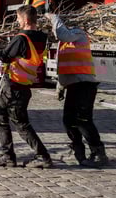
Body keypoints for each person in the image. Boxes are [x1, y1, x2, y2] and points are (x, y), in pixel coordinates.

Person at [0, 4, 54, 169]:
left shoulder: (21, 38)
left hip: (14, 86)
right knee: (11, 119)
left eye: (18, 18)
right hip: (24, 85)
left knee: (10, 120)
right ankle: (9, 155)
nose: (17, 22)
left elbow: (4, 56)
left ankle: (37, 156)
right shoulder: (41, 36)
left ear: (25, 20)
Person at [46, 12, 109, 168]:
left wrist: (53, 17)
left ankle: (98, 152)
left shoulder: (78, 34)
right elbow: (64, 67)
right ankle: (78, 151)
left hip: (85, 85)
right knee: (69, 121)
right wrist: (60, 87)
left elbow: (62, 33)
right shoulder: (65, 43)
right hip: (74, 86)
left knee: (83, 121)